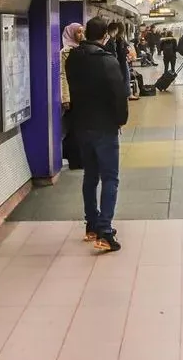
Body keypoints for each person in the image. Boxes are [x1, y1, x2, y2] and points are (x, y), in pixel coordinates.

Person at [65, 16, 128, 252]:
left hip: (81, 127)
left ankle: (91, 226)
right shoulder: (107, 61)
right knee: (110, 178)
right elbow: (118, 95)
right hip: (104, 128)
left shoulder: (72, 59)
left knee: (90, 176)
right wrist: (120, 120)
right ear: (104, 36)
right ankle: (105, 230)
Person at [59, 22, 85, 169]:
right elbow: (62, 75)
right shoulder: (65, 52)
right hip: (72, 95)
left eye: (83, 32)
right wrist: (65, 97)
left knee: (79, 127)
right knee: (74, 128)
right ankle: (75, 160)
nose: (81, 35)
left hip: (81, 93)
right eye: (78, 32)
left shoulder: (81, 50)